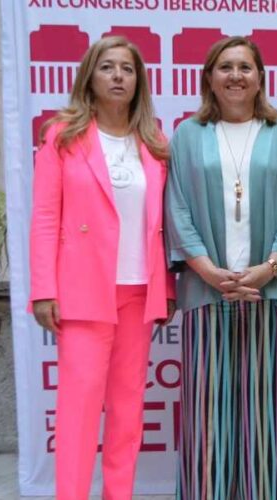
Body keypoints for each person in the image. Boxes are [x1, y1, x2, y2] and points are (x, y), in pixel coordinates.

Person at [29, 35, 176, 500]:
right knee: (78, 413)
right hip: (83, 294)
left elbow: (164, 223)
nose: (118, 76)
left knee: (128, 411)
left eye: (128, 69)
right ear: (90, 77)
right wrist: (42, 289)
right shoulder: (64, 136)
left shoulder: (154, 141)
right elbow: (45, 217)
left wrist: (166, 288)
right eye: (108, 67)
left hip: (139, 291)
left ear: (139, 81)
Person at [164, 36, 277, 500]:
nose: (235, 75)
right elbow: (178, 208)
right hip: (207, 291)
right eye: (224, 66)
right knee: (207, 413)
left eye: (245, 66)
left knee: (270, 413)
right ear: (209, 77)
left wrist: (270, 267)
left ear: (261, 77)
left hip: (271, 289)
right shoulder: (188, 134)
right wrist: (207, 271)